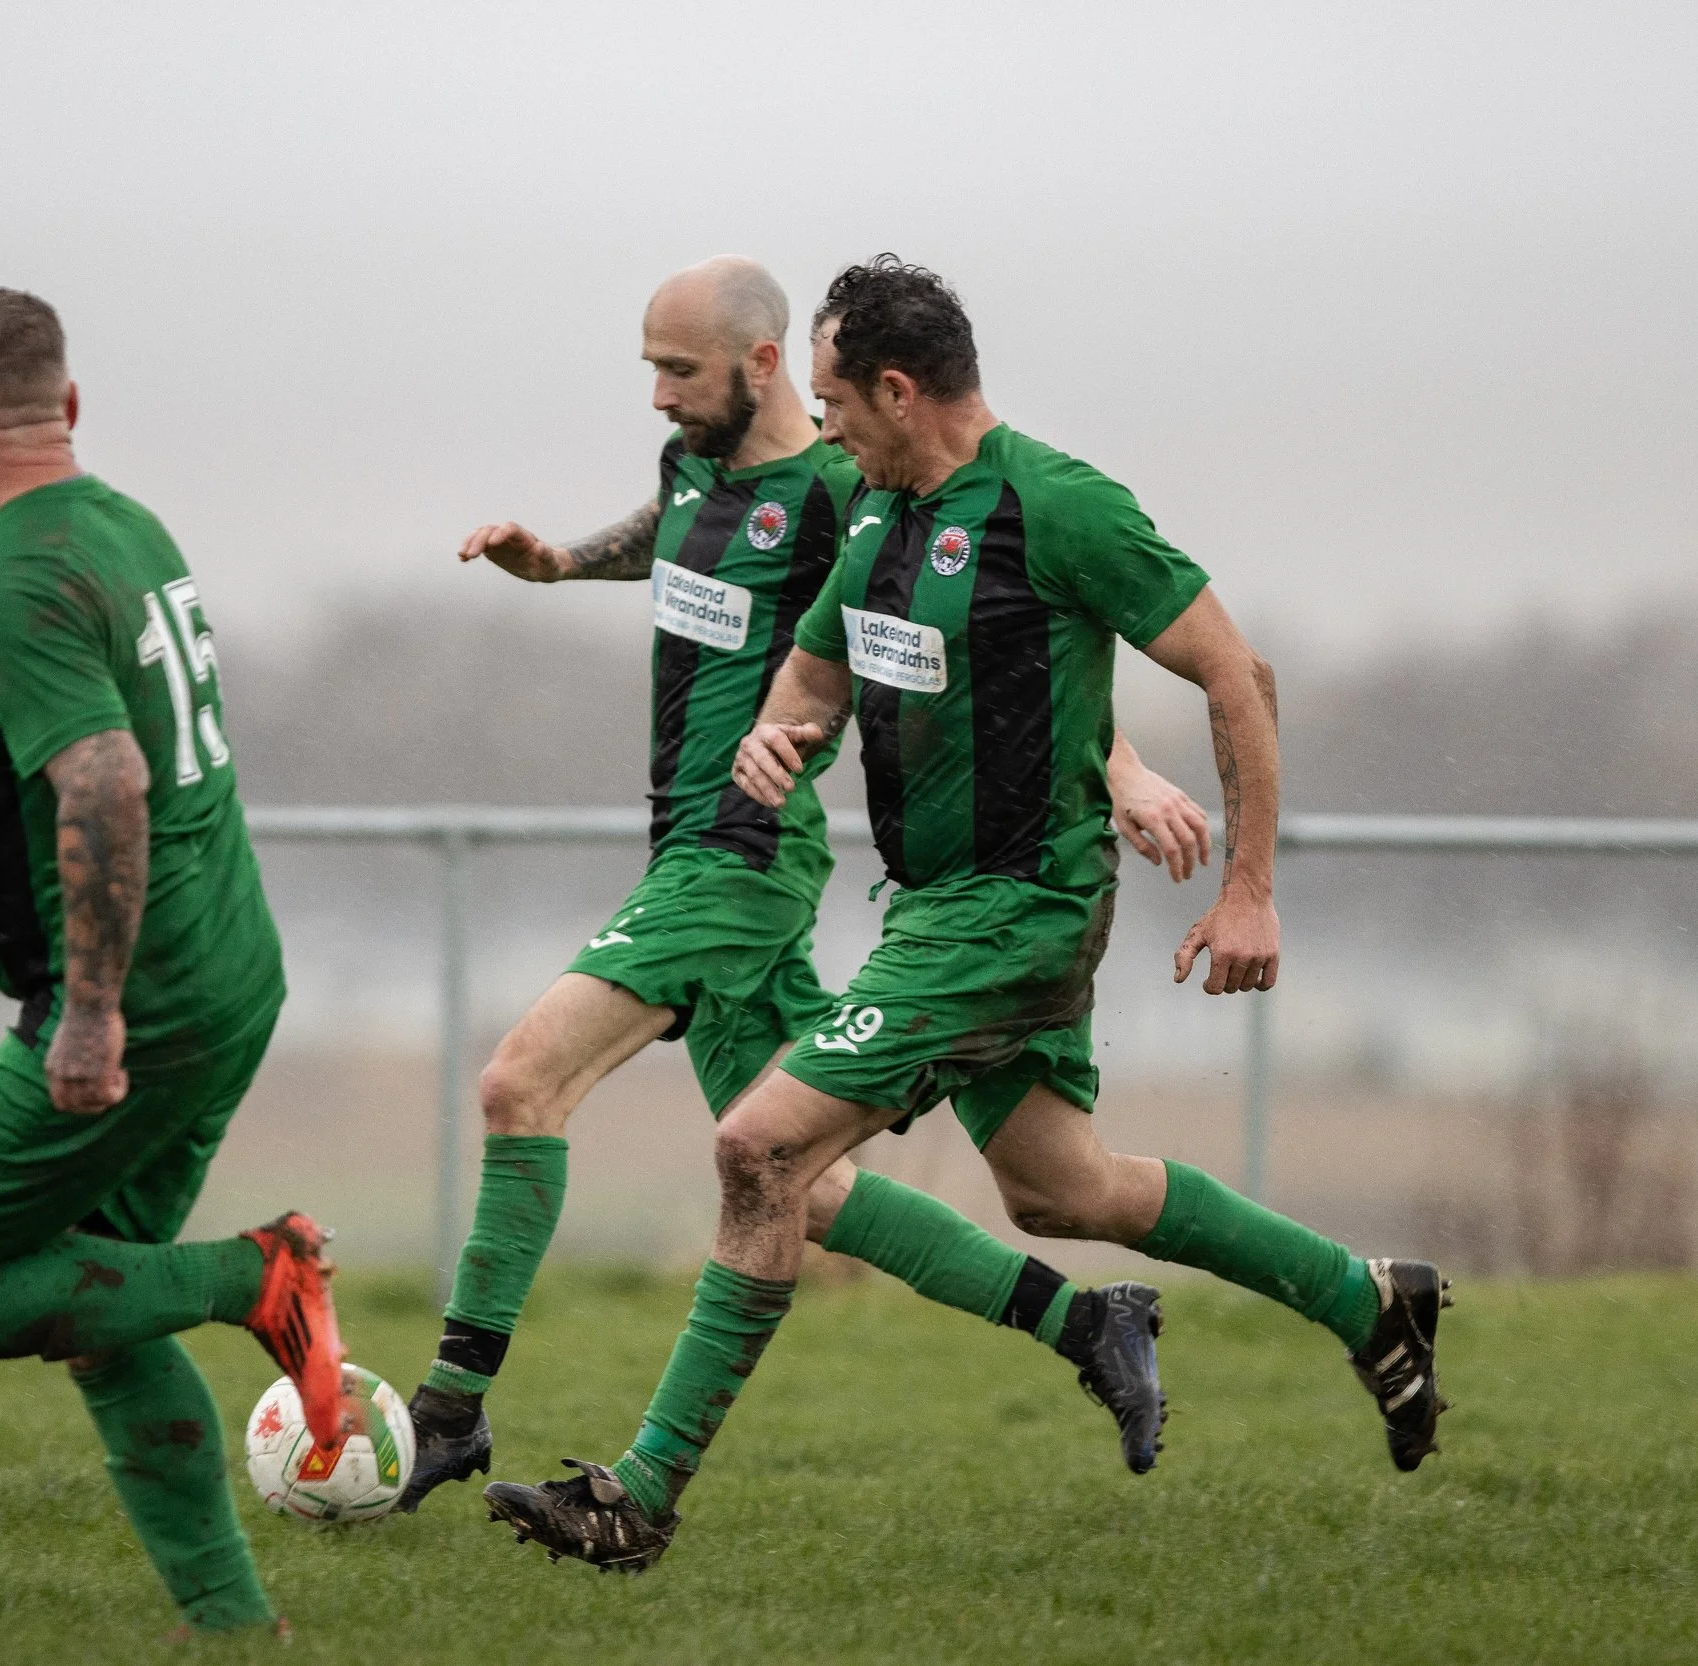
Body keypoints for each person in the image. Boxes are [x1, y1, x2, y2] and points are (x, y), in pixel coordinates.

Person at [486, 256, 1452, 1572]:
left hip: (1019, 914)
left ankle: (640, 1495)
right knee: (1067, 1190)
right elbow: (815, 671)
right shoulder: (880, 520)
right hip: (934, 910)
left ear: (898, 390)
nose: (822, 432)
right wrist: (779, 737)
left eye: (835, 403)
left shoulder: (1056, 507)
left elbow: (1238, 669)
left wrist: (1250, 888)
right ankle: (1370, 1300)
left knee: (759, 1146)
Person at [411, 257, 1216, 1512]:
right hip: (684, 848)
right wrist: (560, 563)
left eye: (679, 371)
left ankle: (448, 1413)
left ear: (767, 362)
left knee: (521, 1082)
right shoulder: (693, 469)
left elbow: (995, 637)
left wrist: (1117, 768)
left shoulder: (853, 486)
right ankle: (1084, 1323)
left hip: (740, 854)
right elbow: (674, 546)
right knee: (807, 1188)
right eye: (652, 370)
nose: (661, 397)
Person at [0, 287, 346, 1643]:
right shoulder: (120, 526)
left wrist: (89, 1016)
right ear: (68, 408)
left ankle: (257, 1275)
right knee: (95, 1300)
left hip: (136, 1002)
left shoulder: (6, 575)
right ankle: (230, 1622)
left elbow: (103, 773)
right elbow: (73, 727)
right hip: (228, 972)